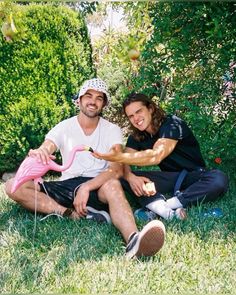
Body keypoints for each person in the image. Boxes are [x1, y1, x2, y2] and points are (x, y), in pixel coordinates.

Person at [5, 80, 166, 259]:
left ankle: (134, 241)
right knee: (12, 186)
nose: (93, 101)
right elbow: (47, 146)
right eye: (88, 96)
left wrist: (87, 187)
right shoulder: (64, 127)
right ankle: (69, 214)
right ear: (79, 100)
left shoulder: (112, 130)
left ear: (103, 104)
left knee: (113, 185)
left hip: (99, 185)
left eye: (99, 98)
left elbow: (116, 170)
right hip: (67, 185)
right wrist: (41, 152)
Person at [93, 92, 229, 220]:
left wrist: (116, 157)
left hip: (194, 177)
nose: (136, 118)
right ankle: (169, 212)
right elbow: (125, 162)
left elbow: (156, 156)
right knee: (123, 177)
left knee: (219, 178)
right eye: (131, 116)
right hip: (170, 179)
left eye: (139, 111)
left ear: (150, 109)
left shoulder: (172, 124)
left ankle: (164, 208)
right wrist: (131, 177)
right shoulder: (136, 136)